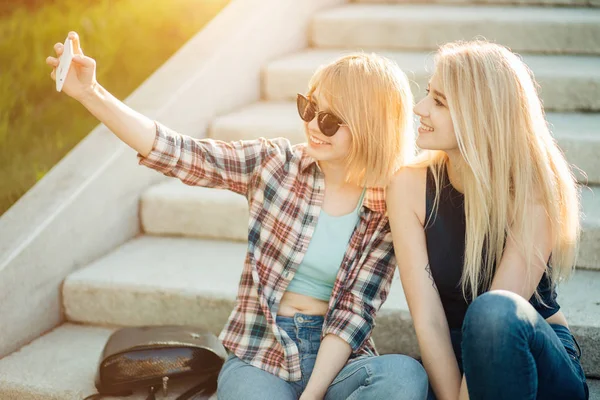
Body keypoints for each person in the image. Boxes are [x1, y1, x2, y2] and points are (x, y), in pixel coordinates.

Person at [47, 32, 429, 399]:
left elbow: (353, 314)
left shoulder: (385, 202)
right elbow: (179, 152)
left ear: (368, 128)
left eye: (329, 120)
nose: (312, 125)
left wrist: (312, 394)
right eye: (309, 107)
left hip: (338, 359)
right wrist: (90, 93)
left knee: (404, 377)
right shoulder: (274, 164)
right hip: (261, 353)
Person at [387, 40, 589, 400]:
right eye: (427, 94)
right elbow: (429, 320)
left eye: (438, 101)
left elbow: (498, 312)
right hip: (454, 360)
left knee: (492, 313)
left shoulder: (534, 191)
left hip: (530, 357)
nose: (419, 108)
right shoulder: (408, 185)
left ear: (479, 114)